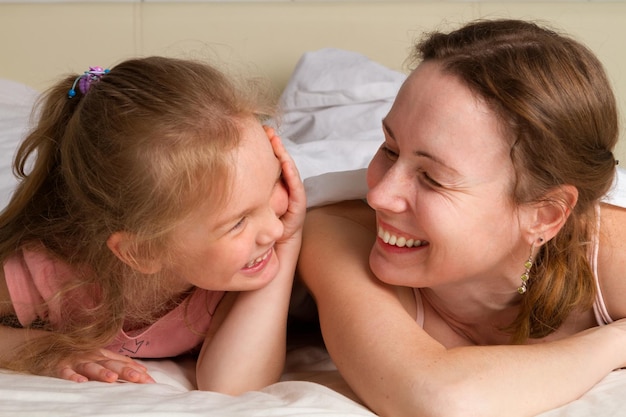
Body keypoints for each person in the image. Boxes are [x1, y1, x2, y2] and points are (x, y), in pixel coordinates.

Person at [298, 18, 626, 417]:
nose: (379, 195)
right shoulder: (337, 231)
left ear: (545, 215)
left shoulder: (609, 248)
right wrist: (615, 342)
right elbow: (437, 398)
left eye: (432, 179)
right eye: (388, 148)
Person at [0, 56, 306, 394]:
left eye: (275, 181)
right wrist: (39, 350)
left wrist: (290, 243)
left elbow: (231, 383)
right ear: (144, 251)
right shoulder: (53, 273)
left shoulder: (231, 268)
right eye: (237, 223)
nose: (274, 229)